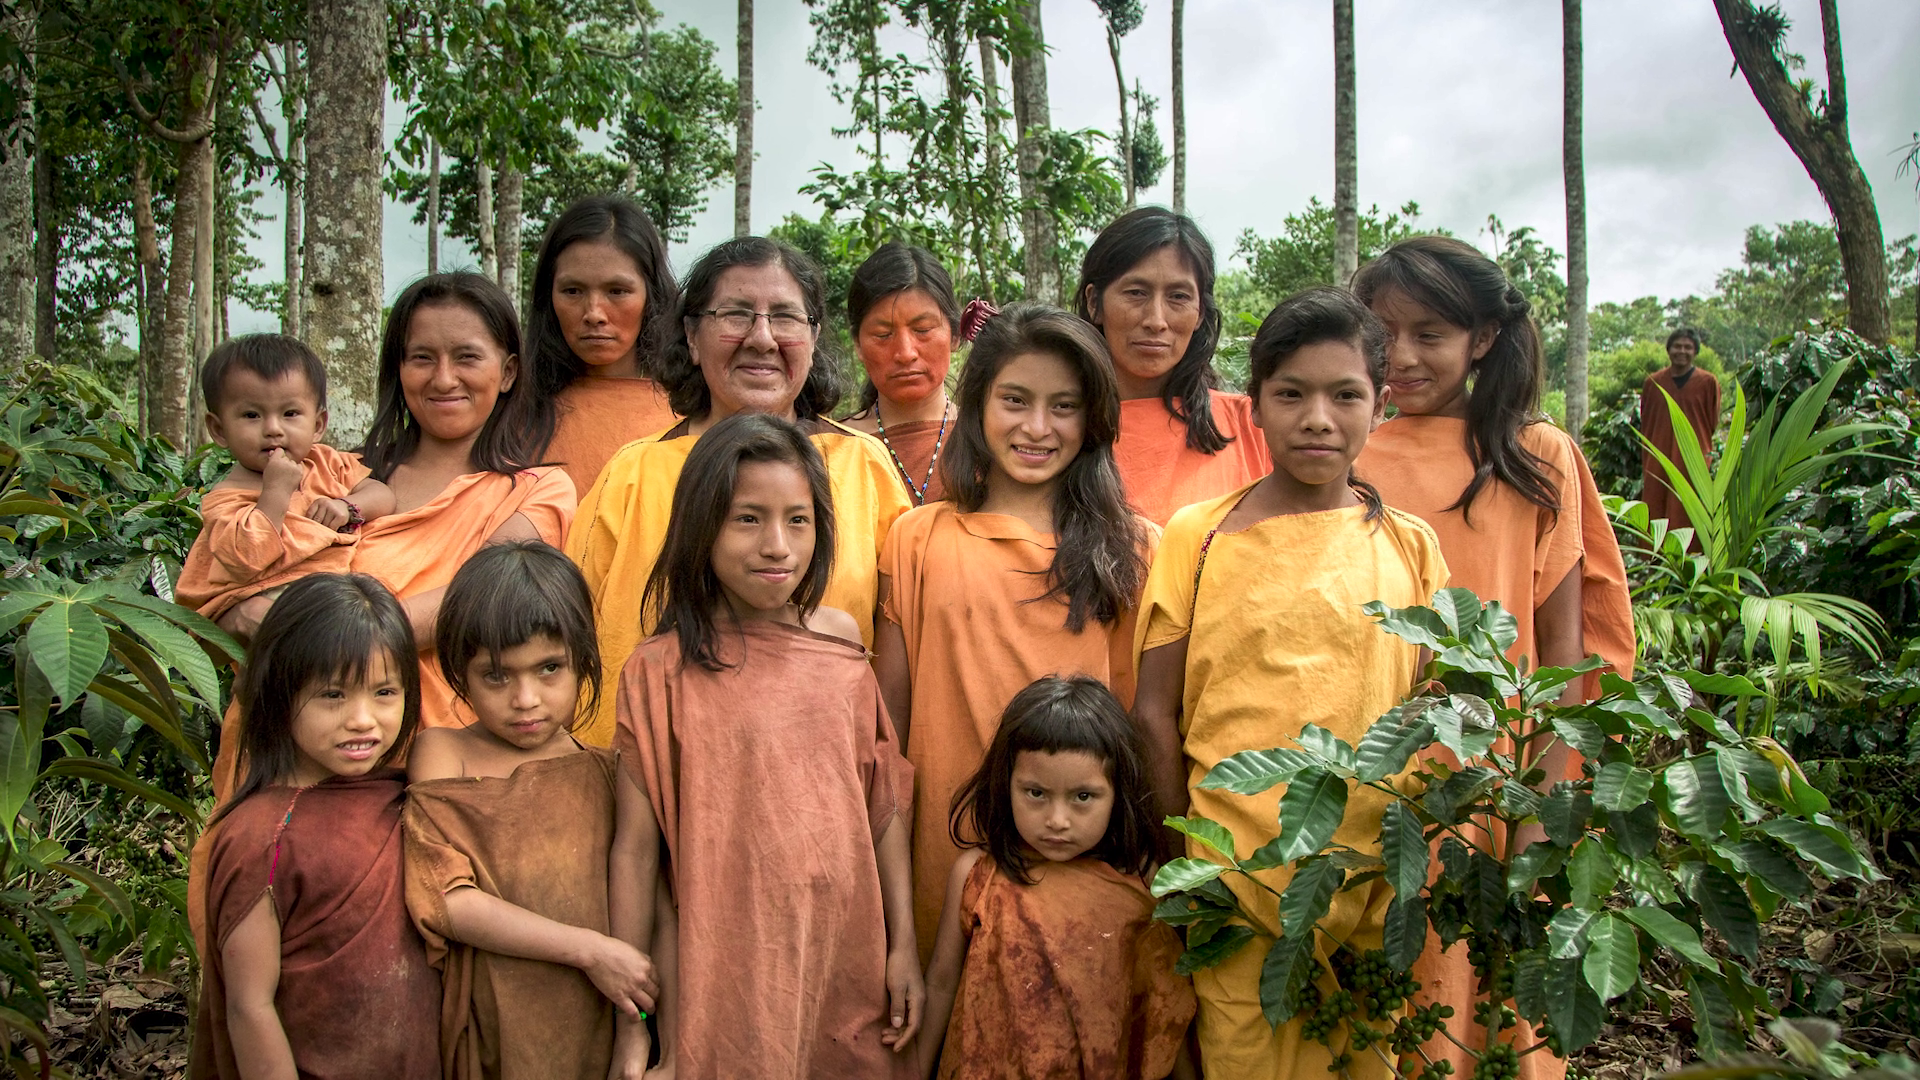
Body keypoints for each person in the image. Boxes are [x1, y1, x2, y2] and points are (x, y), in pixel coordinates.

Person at [1131, 288, 1448, 1080]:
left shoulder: (1412, 549)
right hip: (1236, 888)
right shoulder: (1197, 538)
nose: (1318, 418)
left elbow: (1434, 713)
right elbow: (1153, 713)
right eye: (1291, 394)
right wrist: (1188, 867)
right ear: (1257, 406)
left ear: (1380, 405)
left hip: (1374, 888)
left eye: (1345, 395)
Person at [1350, 237, 1635, 1080]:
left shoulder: (1534, 455)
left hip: (1489, 779)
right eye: (1381, 331)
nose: (1399, 357)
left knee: (1484, 997)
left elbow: (1562, 648)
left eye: (1428, 333)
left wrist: (1545, 804)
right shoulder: (1346, 452)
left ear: (1482, 338)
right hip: (1365, 769)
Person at [614, 413, 919, 1078]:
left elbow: (884, 805)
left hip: (843, 940)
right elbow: (636, 851)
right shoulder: (658, 670)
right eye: (747, 518)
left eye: (798, 520)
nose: (777, 545)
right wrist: (631, 1027)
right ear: (701, 526)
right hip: (722, 953)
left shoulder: (840, 645)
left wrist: (905, 949)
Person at [213, 273, 577, 798]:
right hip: (288, 751)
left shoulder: (538, 489)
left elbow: (477, 600)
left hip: (441, 758)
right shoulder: (337, 478)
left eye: (467, 357)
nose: (444, 378)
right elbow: (240, 571)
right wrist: (235, 609)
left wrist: (310, 638)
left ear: (508, 371)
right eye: (422, 357)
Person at [871, 303, 1155, 959]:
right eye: (1015, 400)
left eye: (1063, 406)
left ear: (1093, 419)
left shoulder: (1135, 552)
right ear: (976, 407)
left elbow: (1140, 726)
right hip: (942, 876)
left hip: (1086, 889)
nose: (1036, 427)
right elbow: (887, 733)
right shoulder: (918, 538)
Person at [568, 236, 911, 745]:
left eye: (786, 317)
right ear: (690, 335)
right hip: (650, 782)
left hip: (823, 781)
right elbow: (569, 638)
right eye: (736, 314)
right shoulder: (633, 473)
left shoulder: (863, 467)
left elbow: (902, 644)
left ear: (814, 339)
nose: (762, 338)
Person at [403, 541, 660, 1079]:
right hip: (493, 1027)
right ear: (459, 673)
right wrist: (590, 951)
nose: (525, 699)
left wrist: (633, 1034)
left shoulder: (607, 772)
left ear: (583, 662)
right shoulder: (443, 751)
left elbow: (650, 909)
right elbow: (447, 901)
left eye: (549, 669)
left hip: (595, 1024)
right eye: (497, 676)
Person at [188, 573, 441, 1080]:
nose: (363, 719)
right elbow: (249, 1007)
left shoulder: (405, 793)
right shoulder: (262, 835)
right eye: (332, 695)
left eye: (384, 692)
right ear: (281, 691)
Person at [916, 675, 1195, 1080]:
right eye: (1035, 793)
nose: (1057, 820)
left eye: (1083, 797)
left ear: (1118, 793)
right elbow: (942, 983)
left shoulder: (1143, 881)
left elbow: (1165, 1009)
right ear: (1006, 783)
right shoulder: (977, 875)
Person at [177, 335, 395, 621]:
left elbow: (383, 495)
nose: (273, 429)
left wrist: (347, 505)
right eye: (251, 415)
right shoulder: (224, 500)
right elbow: (247, 559)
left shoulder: (326, 463)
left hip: (334, 596)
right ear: (218, 429)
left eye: (290, 413)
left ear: (318, 424)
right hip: (268, 599)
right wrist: (276, 492)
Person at [1073, 207, 1269, 525]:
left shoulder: (1255, 426)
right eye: (1136, 293)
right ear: (1095, 302)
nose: (1156, 320)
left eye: (1178, 297)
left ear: (1201, 313)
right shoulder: (1049, 426)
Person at [524, 195, 682, 494]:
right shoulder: (514, 411)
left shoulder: (692, 407)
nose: (594, 313)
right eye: (572, 291)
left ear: (651, 294)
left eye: (617, 291)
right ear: (549, 297)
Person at [838, 243, 961, 505]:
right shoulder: (829, 445)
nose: (905, 353)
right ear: (858, 345)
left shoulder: (989, 438)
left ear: (955, 335)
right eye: (883, 335)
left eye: (924, 329)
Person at [1638, 326, 1721, 533]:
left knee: (1690, 508)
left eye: (1688, 347)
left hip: (1693, 458)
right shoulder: (1653, 383)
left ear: (1695, 352)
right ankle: (1653, 559)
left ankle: (1691, 559)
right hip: (1658, 456)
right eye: (1677, 346)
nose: (1682, 351)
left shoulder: (1708, 383)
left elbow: (1712, 421)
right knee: (1655, 506)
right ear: (1668, 350)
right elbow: (1646, 421)